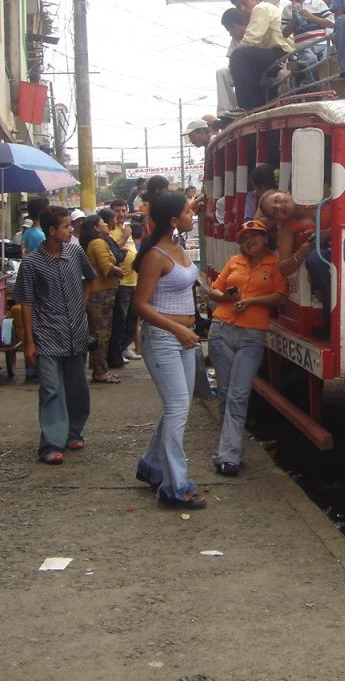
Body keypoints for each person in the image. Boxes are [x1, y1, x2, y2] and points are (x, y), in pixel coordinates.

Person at [133, 191, 206, 510]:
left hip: (184, 337)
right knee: (178, 408)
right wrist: (177, 328)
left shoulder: (179, 247)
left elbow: (188, 284)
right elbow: (140, 305)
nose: (193, 216)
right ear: (174, 220)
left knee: (179, 405)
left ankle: (151, 466)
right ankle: (175, 486)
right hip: (163, 339)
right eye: (188, 212)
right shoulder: (156, 256)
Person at [204, 219, 287, 476]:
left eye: (254, 236)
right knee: (227, 392)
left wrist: (251, 301)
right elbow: (213, 291)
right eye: (244, 237)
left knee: (238, 395)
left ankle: (228, 455)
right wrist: (226, 296)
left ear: (265, 239)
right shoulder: (234, 262)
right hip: (221, 330)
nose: (248, 241)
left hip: (252, 335)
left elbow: (280, 296)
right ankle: (228, 445)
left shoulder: (275, 264)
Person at [15, 206, 95, 464]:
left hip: (77, 332)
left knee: (77, 387)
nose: (71, 230)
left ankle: (74, 431)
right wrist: (29, 342)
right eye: (65, 226)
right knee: (50, 389)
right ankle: (50, 443)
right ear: (51, 231)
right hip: (47, 334)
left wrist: (82, 304)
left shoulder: (75, 252)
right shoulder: (31, 264)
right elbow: (26, 303)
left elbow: (90, 278)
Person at [259, 188, 332, 326]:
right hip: (320, 269)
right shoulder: (287, 229)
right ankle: (333, 319)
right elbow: (283, 268)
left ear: (285, 192)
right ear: (277, 219)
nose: (279, 206)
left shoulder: (322, 199)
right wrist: (301, 253)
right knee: (315, 258)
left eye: (276, 199)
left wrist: (327, 234)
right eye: (275, 212)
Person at [229, 0, 295, 111]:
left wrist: (231, 63)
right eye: (238, 7)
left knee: (238, 57)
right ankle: (258, 105)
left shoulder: (261, 8)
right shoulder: (263, 10)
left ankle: (247, 107)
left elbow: (251, 40)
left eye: (244, 3)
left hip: (282, 53)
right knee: (245, 62)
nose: (242, 9)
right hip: (278, 55)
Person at [81, 213, 123, 383]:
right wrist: (119, 271)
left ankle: (99, 368)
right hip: (101, 295)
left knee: (100, 332)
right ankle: (100, 371)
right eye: (103, 222)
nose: (106, 224)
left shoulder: (97, 242)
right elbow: (106, 267)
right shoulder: (98, 243)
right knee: (102, 333)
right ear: (96, 228)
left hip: (102, 293)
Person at [280, 0, 334, 85]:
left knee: (327, 58)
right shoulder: (287, 10)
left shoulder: (318, 3)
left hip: (322, 44)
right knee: (311, 60)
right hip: (304, 48)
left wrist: (312, 18)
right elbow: (284, 33)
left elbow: (331, 22)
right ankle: (315, 85)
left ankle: (326, 84)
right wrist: (294, 20)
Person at [108, 201, 138, 368]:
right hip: (122, 282)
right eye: (117, 211)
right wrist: (125, 236)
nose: (121, 214)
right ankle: (116, 352)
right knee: (120, 319)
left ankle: (124, 347)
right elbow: (112, 251)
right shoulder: (112, 230)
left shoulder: (126, 228)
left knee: (132, 320)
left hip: (134, 280)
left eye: (124, 210)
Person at [216, 8, 249, 117]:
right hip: (239, 72)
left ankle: (242, 106)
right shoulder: (235, 40)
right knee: (222, 72)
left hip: (252, 70)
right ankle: (226, 111)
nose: (230, 34)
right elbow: (231, 62)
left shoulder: (253, 32)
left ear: (235, 26)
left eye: (230, 30)